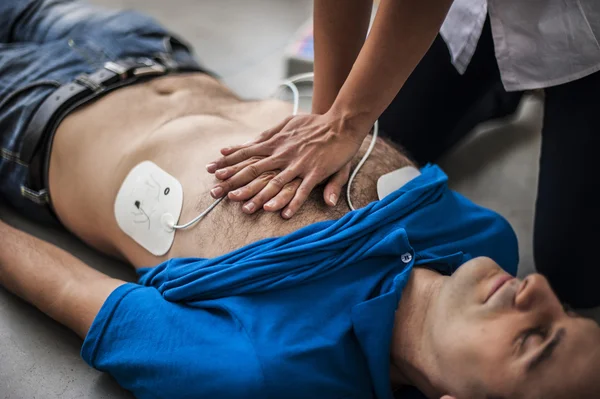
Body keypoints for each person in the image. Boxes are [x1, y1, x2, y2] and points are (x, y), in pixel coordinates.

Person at [1, 1, 599, 398]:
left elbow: (72, 291)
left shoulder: (264, 367)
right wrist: (340, 119)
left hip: (28, 115)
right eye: (567, 318)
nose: (538, 289)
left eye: (533, 339)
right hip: (147, 47)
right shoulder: (482, 239)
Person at [206, 0, 600, 309]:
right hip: (476, 12)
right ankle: (503, 89)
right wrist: (327, 119)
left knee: (574, 278)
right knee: (382, 144)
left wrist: (344, 124)